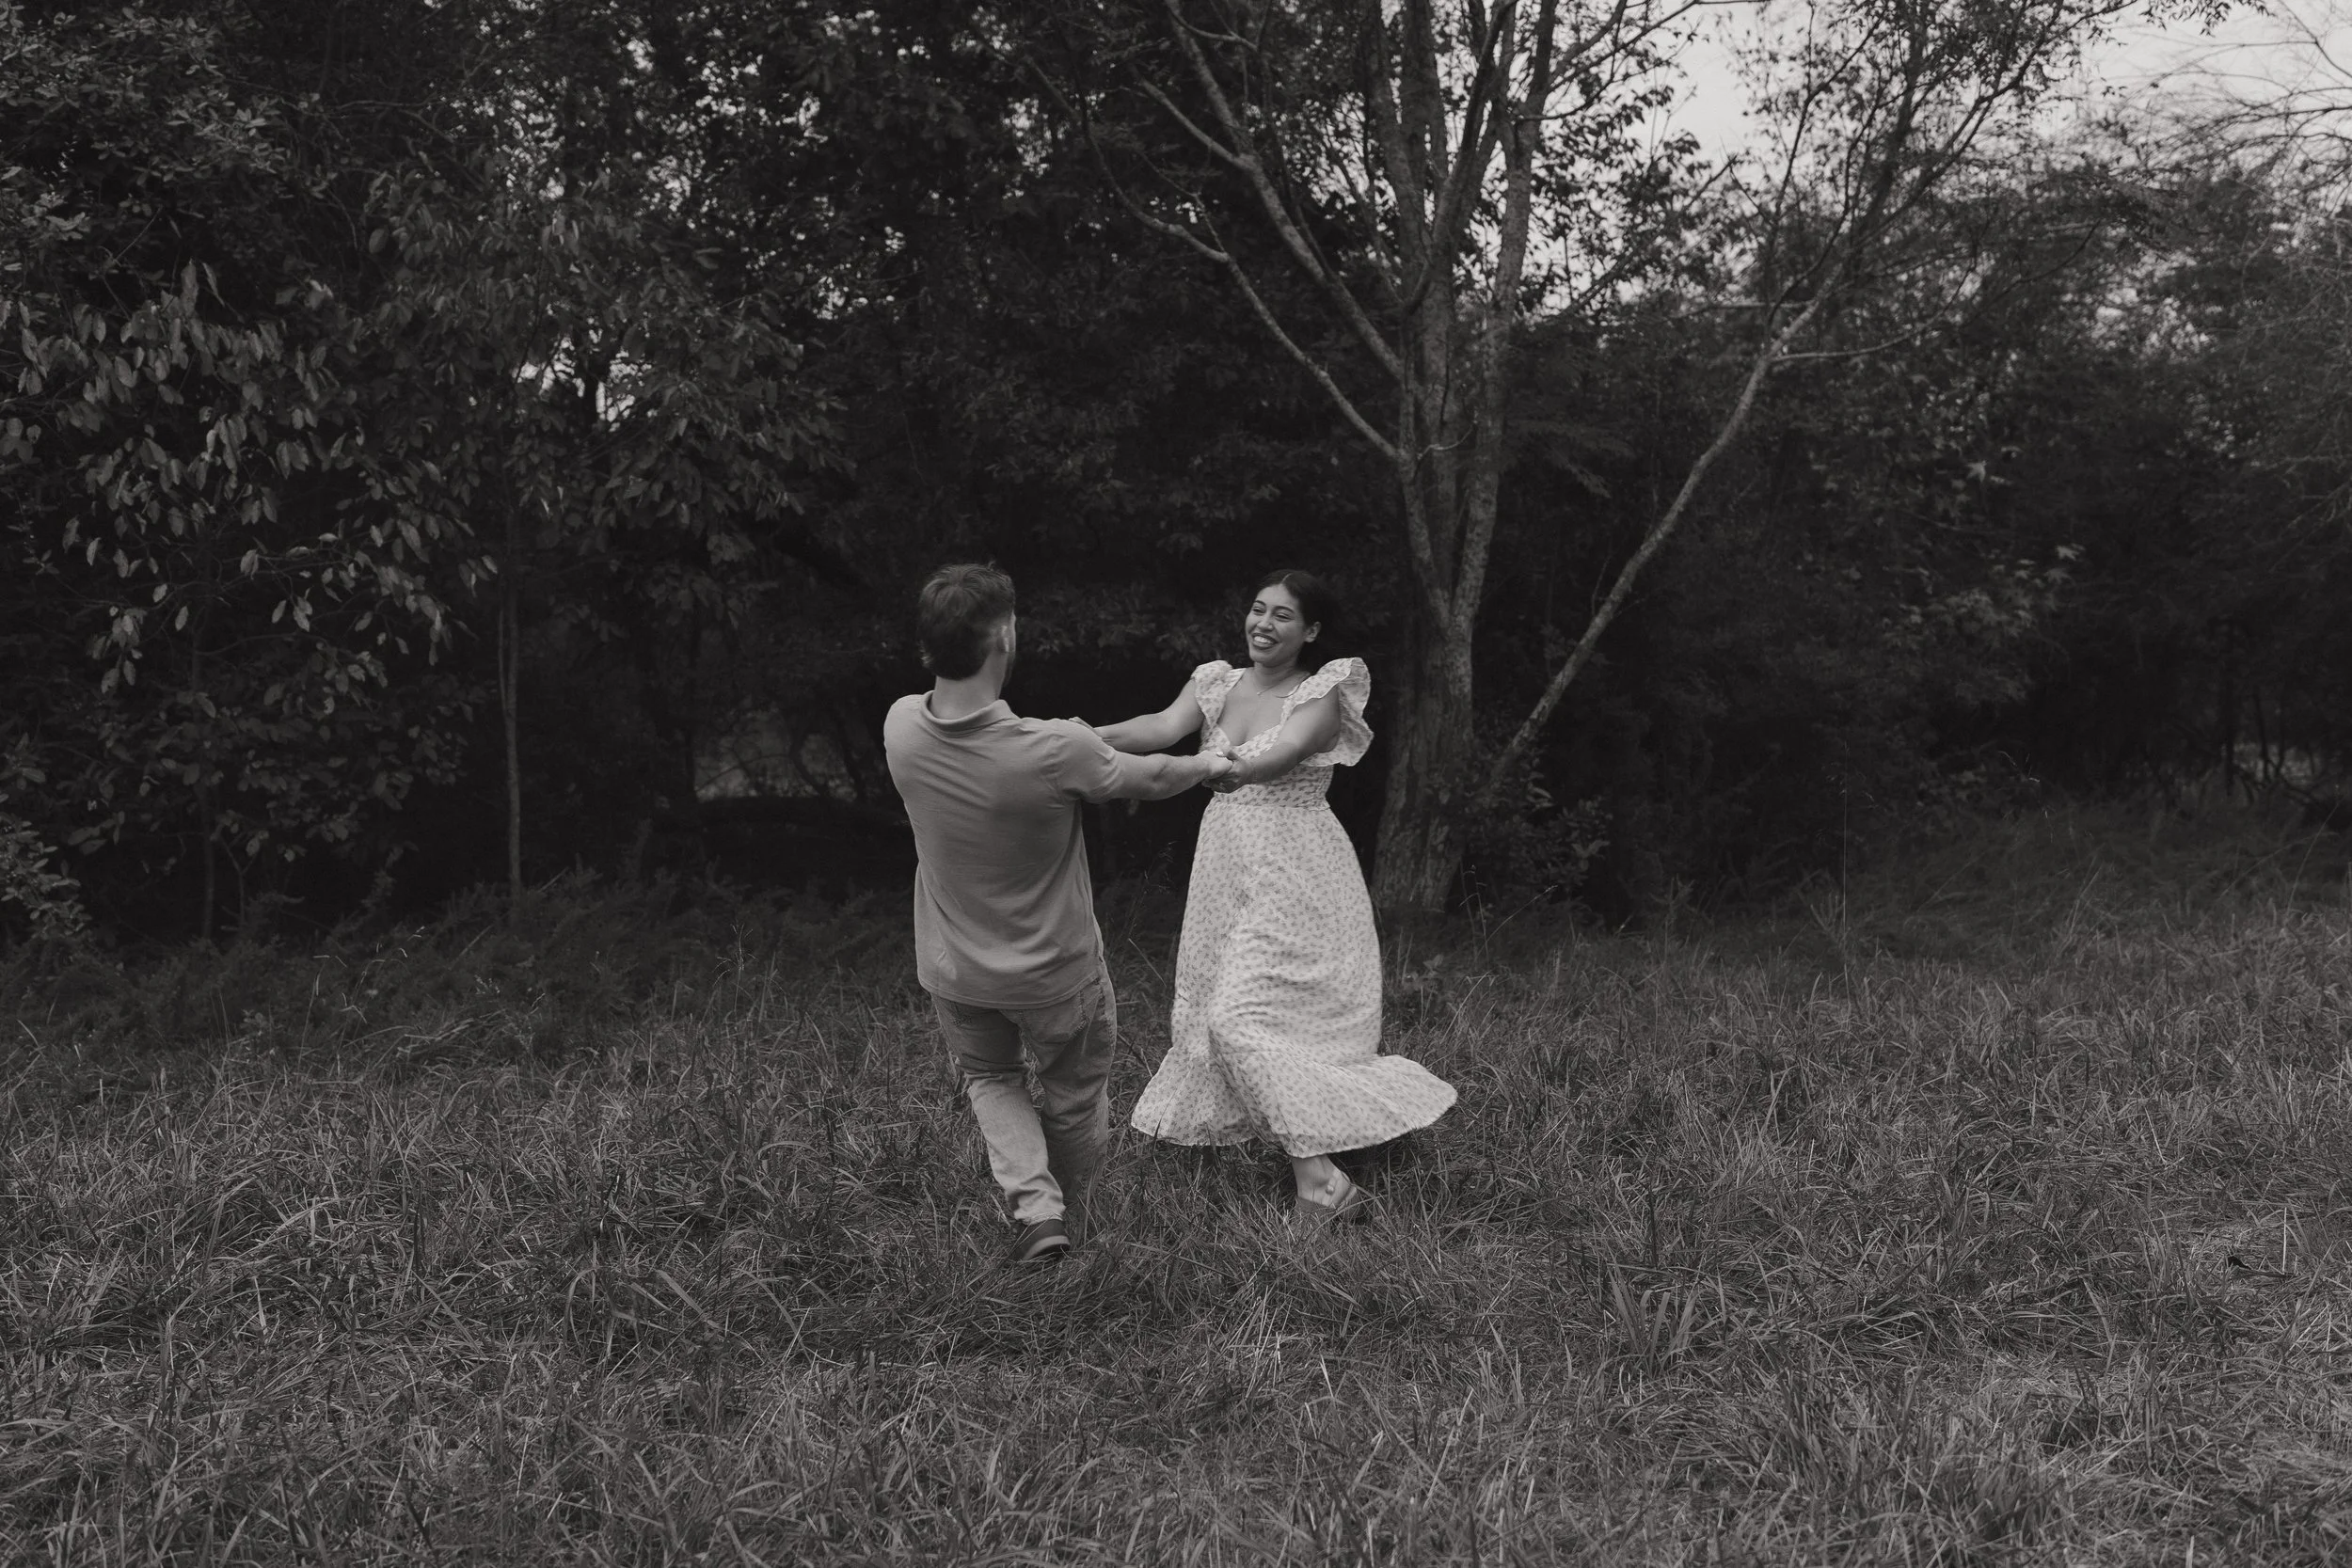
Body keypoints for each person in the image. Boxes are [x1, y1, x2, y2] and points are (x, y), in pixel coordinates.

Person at [884, 563, 1236, 1264]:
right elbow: (1158, 775)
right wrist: (1210, 764)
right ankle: (1067, 1218)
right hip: (1057, 976)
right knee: (1074, 1096)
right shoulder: (1052, 751)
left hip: (956, 973)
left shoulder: (901, 726)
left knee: (991, 1079)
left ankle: (1037, 1213)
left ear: (929, 649)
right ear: (1005, 638)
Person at [1092, 569, 1455, 1223]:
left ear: (1309, 630)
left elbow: (1280, 755)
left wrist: (1227, 767)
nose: (1263, 623)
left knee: (1239, 1017)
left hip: (1296, 874)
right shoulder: (1216, 682)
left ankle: (1320, 1181)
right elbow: (1158, 725)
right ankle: (1318, 1169)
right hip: (1225, 872)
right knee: (1216, 1014)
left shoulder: (1321, 692)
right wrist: (1078, 734)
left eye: (1282, 615)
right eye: (1257, 609)